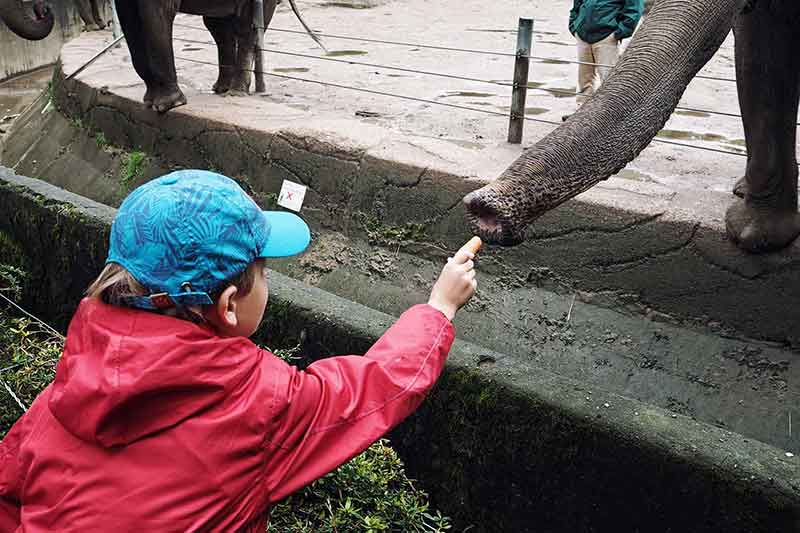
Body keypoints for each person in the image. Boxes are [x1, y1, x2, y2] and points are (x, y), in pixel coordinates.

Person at [0, 170, 478, 531]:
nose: (268, 282)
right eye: (264, 271)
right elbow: (372, 387)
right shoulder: (259, 400)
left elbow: (8, 490)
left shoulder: (66, 390)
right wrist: (439, 308)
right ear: (228, 306)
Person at [564, 0, 644, 120]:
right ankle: (581, 113)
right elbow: (577, 5)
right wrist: (574, 26)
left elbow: (634, 10)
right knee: (584, 77)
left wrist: (618, 33)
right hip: (583, 35)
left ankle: (608, 116)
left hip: (607, 37)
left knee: (608, 77)